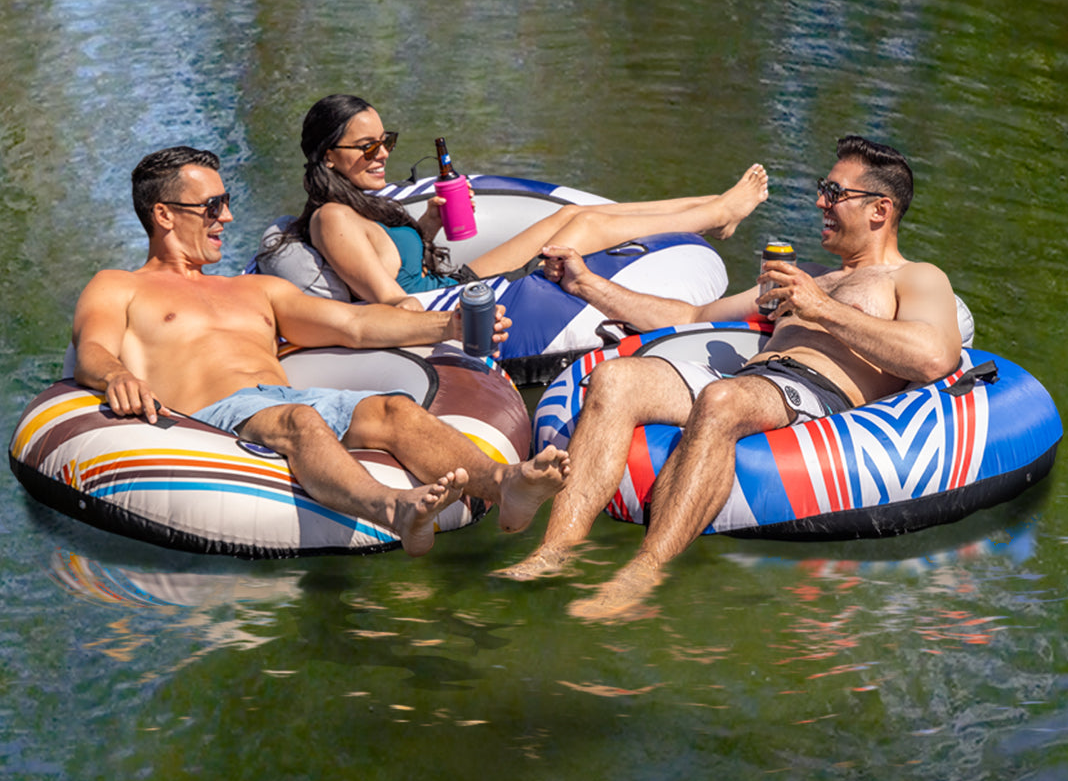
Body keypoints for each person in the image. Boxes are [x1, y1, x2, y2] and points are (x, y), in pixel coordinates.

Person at [494, 136, 963, 620]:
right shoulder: (811, 276)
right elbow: (694, 314)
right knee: (615, 379)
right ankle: (555, 552)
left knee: (720, 400)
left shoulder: (915, 278)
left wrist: (821, 309)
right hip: (753, 377)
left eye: (835, 193)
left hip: (818, 394)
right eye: (823, 188)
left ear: (880, 209)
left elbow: (934, 357)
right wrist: (585, 282)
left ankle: (644, 570)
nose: (821, 201)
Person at [72, 146, 570, 558]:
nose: (226, 216)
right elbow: (92, 347)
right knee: (299, 420)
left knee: (393, 408)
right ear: (162, 215)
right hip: (210, 416)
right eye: (211, 205)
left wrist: (448, 324)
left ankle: (505, 485)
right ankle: (394, 510)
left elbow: (352, 324)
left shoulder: (254, 290)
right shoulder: (119, 286)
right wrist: (116, 374)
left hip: (282, 397)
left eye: (225, 202)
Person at [260, 94, 770, 309]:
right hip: (456, 300)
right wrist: (454, 322)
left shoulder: (359, 206)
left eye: (386, 140)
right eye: (367, 146)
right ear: (329, 157)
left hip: (457, 281)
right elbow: (389, 298)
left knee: (570, 214)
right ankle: (719, 213)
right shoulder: (332, 217)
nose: (383, 154)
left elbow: (391, 262)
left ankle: (713, 208)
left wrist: (430, 226)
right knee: (580, 228)